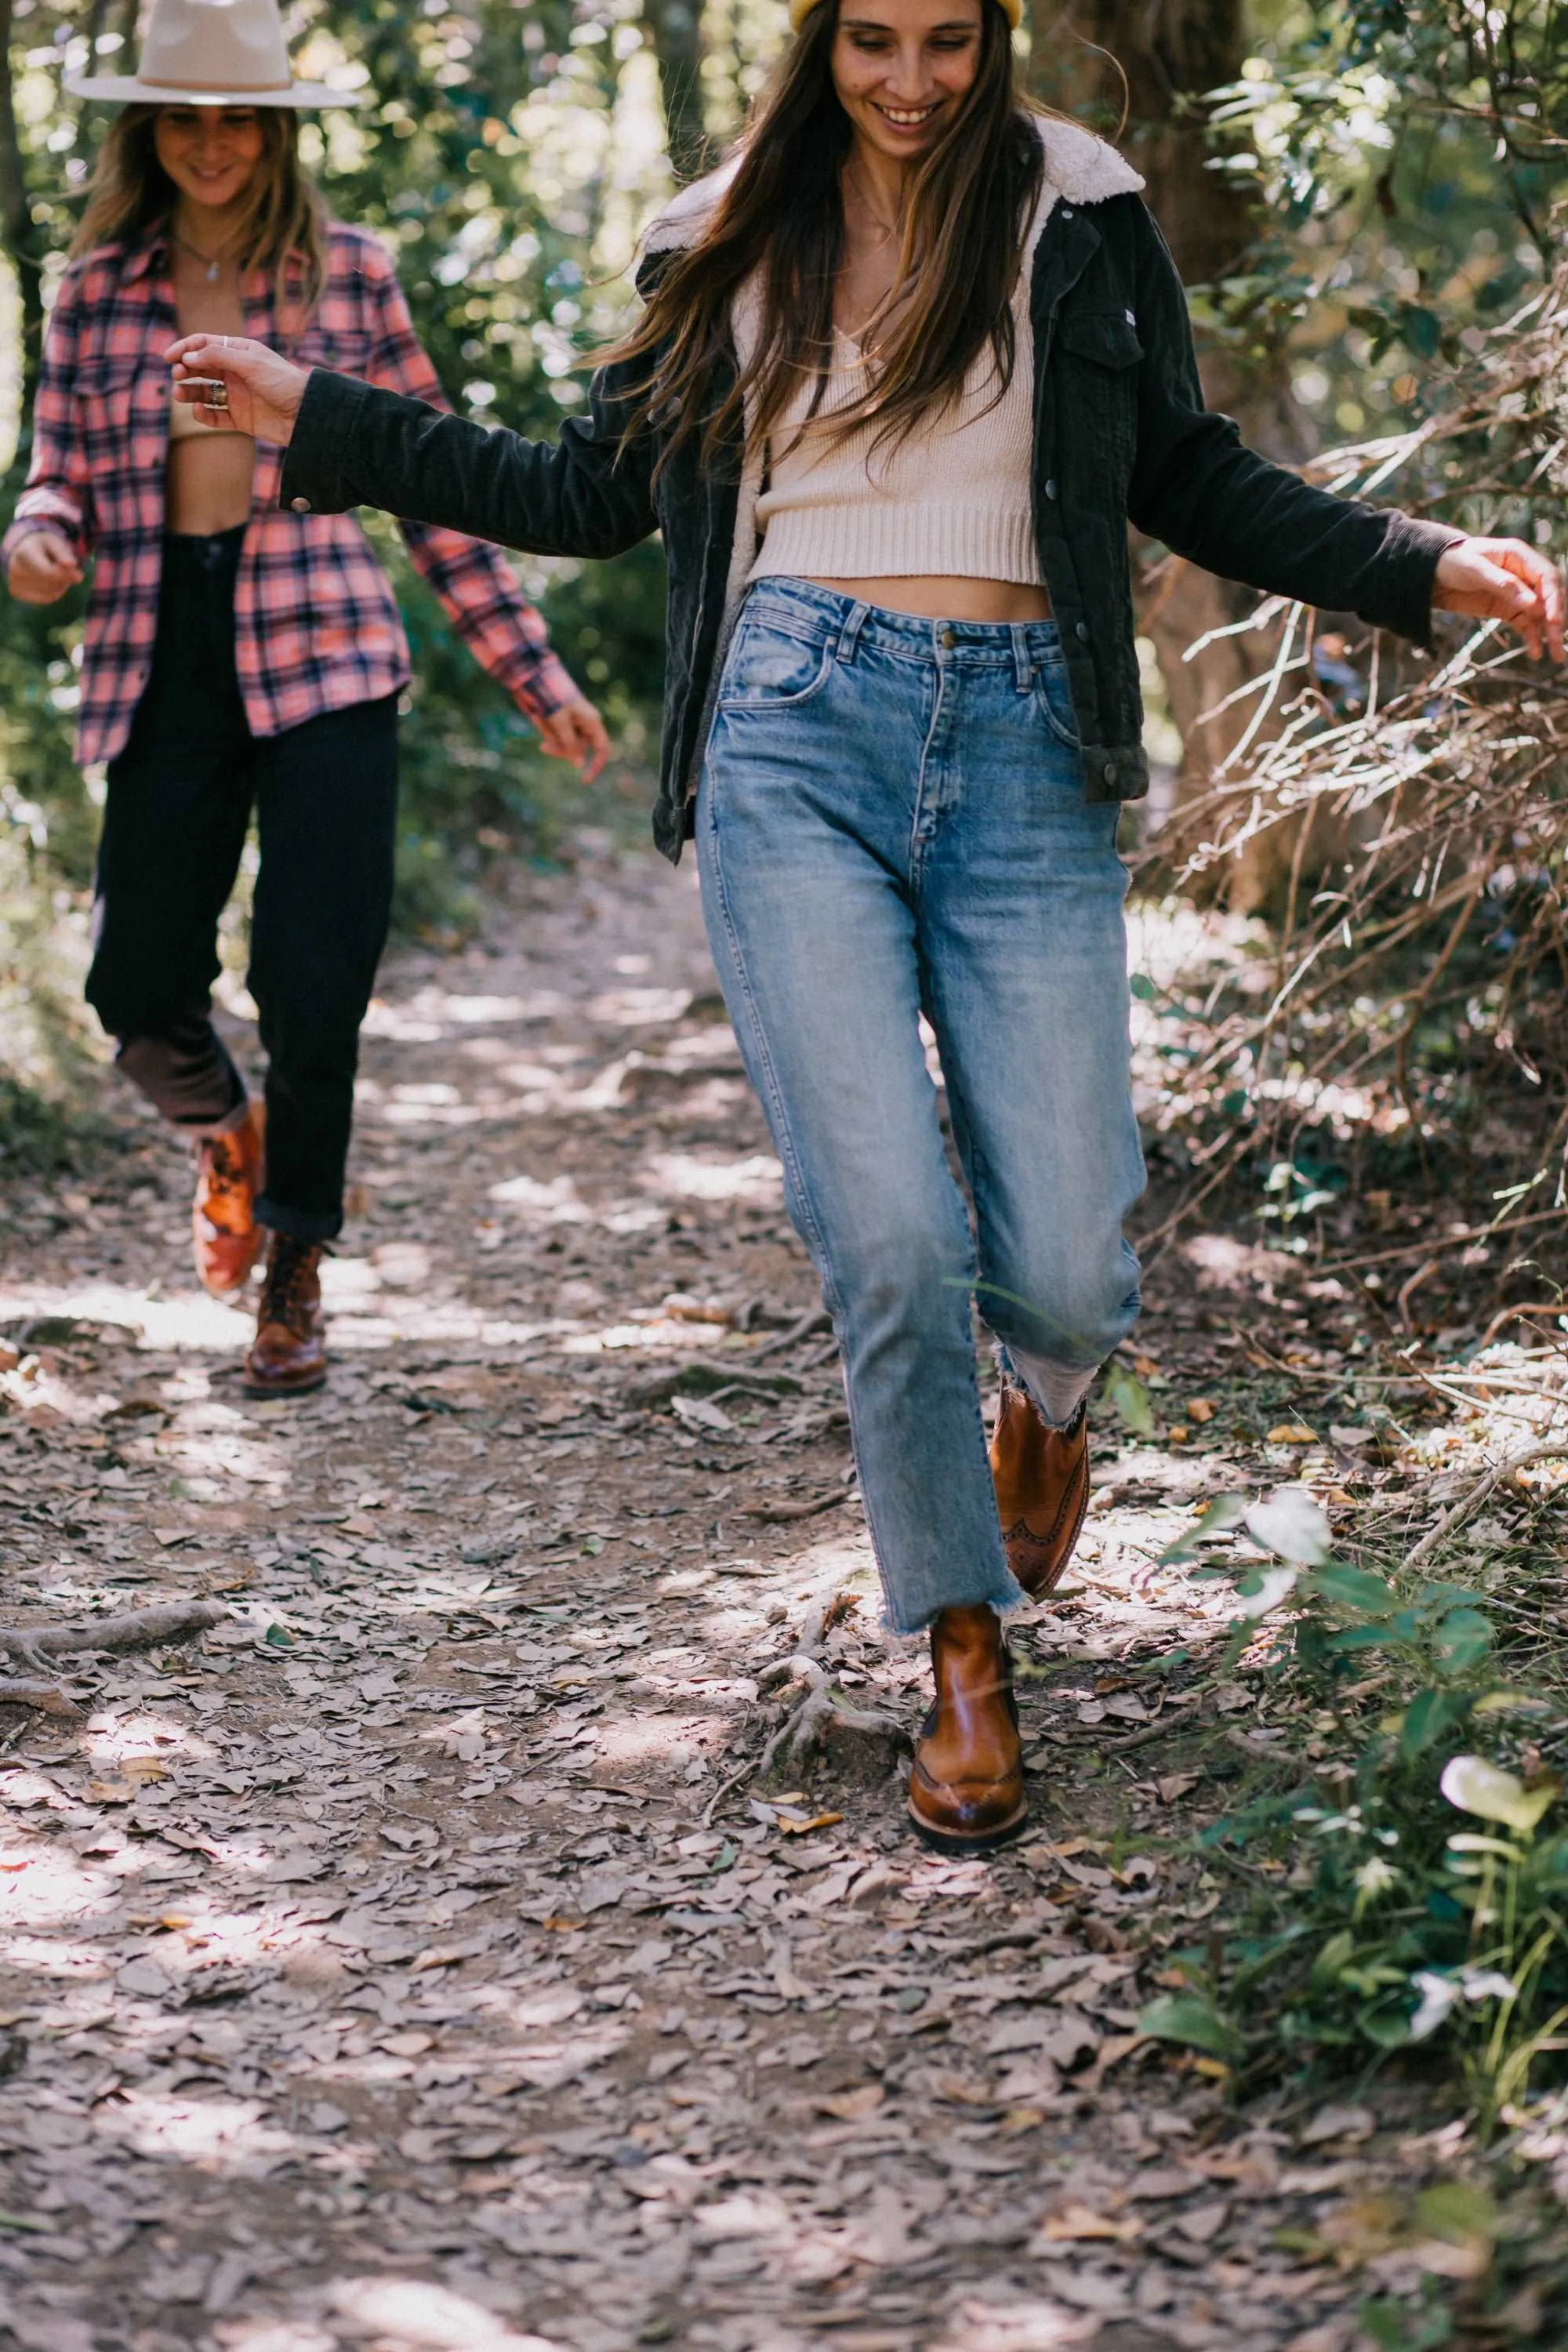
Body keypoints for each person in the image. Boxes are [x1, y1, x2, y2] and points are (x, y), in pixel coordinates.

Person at [168, 0, 1563, 1845]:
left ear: (991, 38)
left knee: (1063, 1262)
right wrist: (316, 411)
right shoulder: (712, 230)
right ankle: (963, 1652)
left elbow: (1184, 473)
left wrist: (1422, 563)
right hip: (790, 731)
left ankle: (1049, 1404)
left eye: (945, 42)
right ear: (817, 41)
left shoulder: (1079, 203)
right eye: (872, 43)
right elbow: (584, 495)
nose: (909, 84)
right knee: (889, 1235)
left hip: (1024, 738)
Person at [4, 0, 608, 1400]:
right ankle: (232, 1133)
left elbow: (435, 483)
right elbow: (59, 473)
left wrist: (534, 671)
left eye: (236, 117)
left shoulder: (349, 274)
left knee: (315, 981)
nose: (210, 143)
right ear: (148, 129)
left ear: (274, 128)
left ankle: (294, 1267)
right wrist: (41, 538)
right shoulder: (90, 289)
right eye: (183, 115)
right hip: (162, 649)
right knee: (136, 983)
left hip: (325, 646)